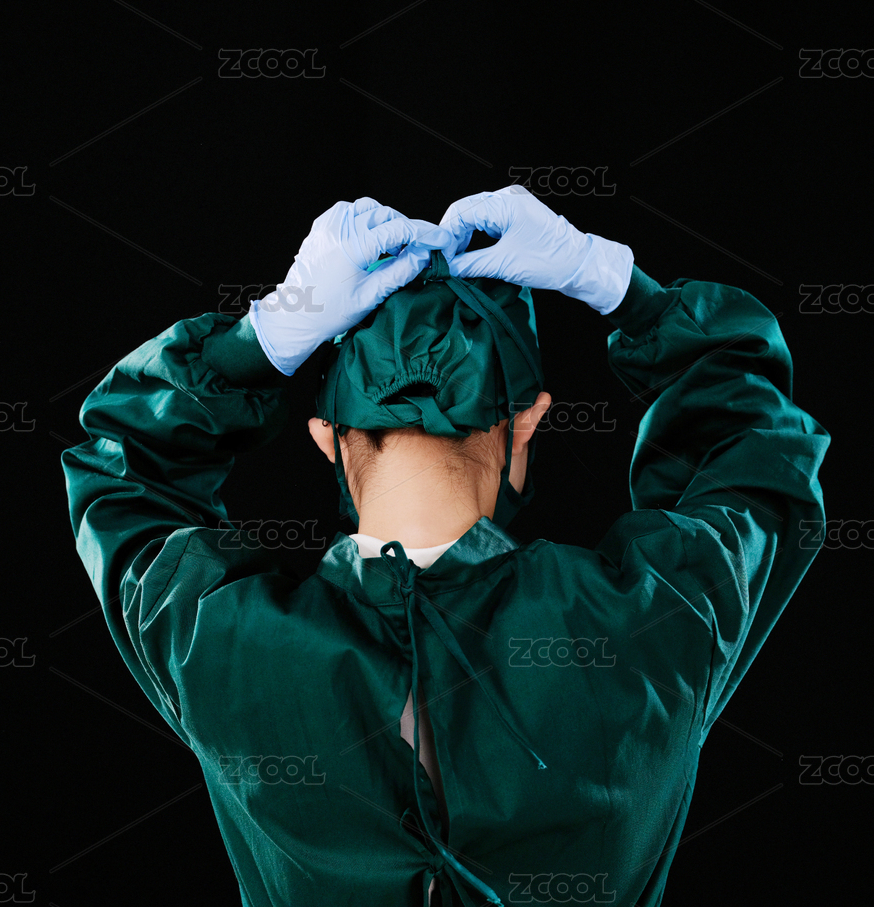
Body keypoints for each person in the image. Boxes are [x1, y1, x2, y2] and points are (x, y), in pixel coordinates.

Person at [61, 185, 831, 906]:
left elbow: (123, 466)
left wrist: (261, 335)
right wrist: (621, 285)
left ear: (327, 439)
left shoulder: (218, 642)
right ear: (525, 427)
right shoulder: (658, 622)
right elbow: (754, 444)